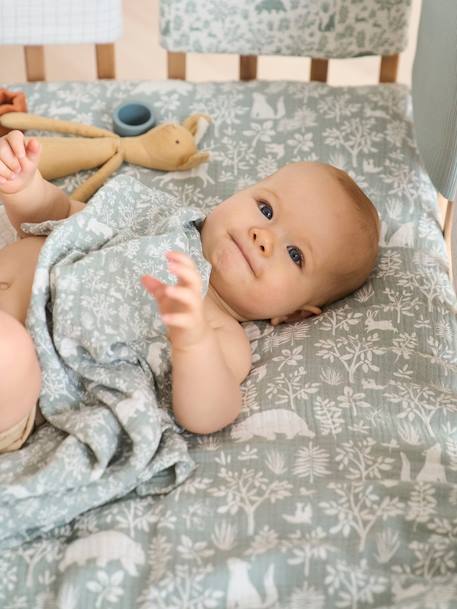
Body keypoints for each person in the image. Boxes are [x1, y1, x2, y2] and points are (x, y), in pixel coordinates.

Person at [0, 129, 380, 451]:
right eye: (265, 209)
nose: (262, 237)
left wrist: (192, 341)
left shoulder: (218, 332)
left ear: (295, 313)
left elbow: (211, 413)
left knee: (9, 350)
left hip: (24, 374)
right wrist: (25, 188)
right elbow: (62, 216)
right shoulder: (158, 217)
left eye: (295, 254)